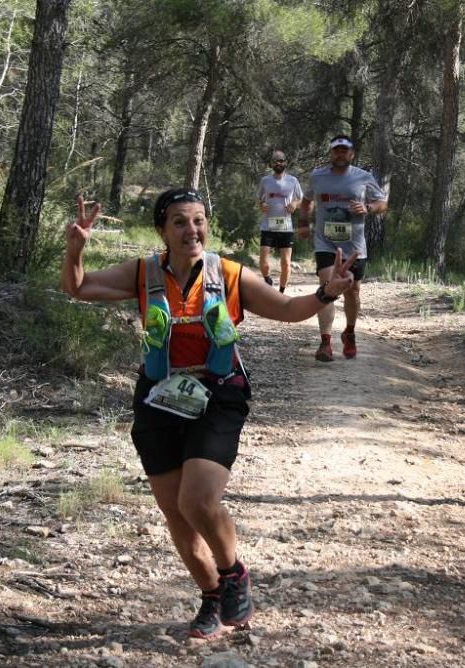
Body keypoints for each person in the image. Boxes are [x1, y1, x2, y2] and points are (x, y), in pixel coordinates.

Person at [61, 188, 357, 639]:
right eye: (179, 221)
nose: (191, 230)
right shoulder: (144, 272)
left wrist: (324, 291)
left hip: (218, 394)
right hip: (159, 397)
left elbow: (289, 309)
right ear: (162, 230)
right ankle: (212, 599)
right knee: (177, 515)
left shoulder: (230, 274)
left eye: (198, 220)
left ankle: (233, 572)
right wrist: (75, 249)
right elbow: (78, 288)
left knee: (197, 500)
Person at [298, 134, 388, 362]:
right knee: (328, 286)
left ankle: (349, 332)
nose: (339, 154)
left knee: (352, 290)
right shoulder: (318, 177)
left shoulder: (363, 177)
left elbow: (383, 204)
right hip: (325, 243)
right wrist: (302, 224)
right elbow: (307, 201)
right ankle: (325, 342)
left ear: (352, 154)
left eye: (344, 150)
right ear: (331, 153)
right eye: (336, 150)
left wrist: (367, 207)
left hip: (355, 246)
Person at [256, 150, 303, 293]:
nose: (278, 163)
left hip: (285, 227)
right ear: (271, 164)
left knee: (286, 263)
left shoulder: (293, 181)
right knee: (263, 261)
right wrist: (261, 205)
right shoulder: (265, 181)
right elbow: (258, 199)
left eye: (281, 160)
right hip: (268, 226)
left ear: (286, 163)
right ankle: (267, 278)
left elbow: (301, 199)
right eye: (275, 160)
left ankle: (281, 292)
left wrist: (295, 204)